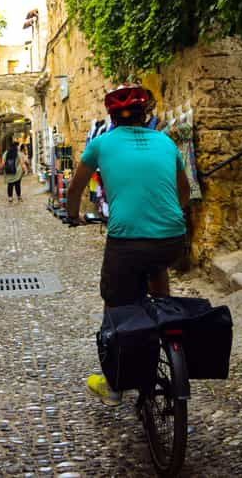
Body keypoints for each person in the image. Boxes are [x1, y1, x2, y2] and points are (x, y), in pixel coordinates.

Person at [66, 84, 191, 406]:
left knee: (116, 304)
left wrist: (73, 216)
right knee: (157, 266)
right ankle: (166, 328)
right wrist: (169, 216)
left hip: (127, 241)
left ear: (111, 117)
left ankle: (114, 383)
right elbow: (184, 194)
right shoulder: (165, 141)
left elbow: (75, 189)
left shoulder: (100, 144)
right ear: (145, 114)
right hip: (173, 236)